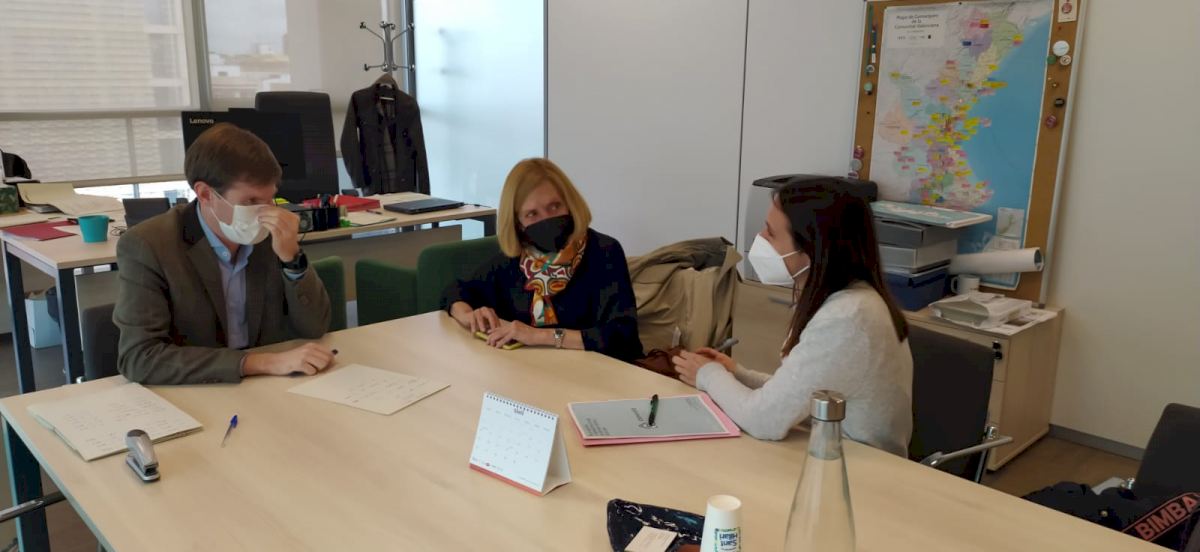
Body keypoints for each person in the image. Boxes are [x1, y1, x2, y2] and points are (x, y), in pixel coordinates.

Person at [672, 179, 914, 455]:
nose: (760, 238)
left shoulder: (847, 319)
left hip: (859, 468)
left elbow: (764, 420)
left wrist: (707, 374)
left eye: (771, 232)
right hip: (831, 450)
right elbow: (799, 393)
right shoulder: (853, 299)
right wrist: (737, 374)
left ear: (811, 249)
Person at [114, 123, 334, 385]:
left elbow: (315, 327)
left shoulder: (271, 236)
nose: (265, 212)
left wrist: (292, 259)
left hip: (268, 386)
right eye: (250, 202)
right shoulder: (149, 245)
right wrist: (257, 362)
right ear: (206, 194)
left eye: (270, 199)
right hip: (198, 388)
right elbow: (139, 357)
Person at [444, 158, 644, 362]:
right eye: (532, 214)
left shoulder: (604, 251)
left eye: (555, 206)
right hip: (534, 371)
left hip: (601, 371)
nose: (547, 219)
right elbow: (456, 290)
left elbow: (621, 336)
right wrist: (466, 314)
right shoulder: (512, 260)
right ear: (517, 222)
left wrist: (539, 336)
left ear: (569, 204)